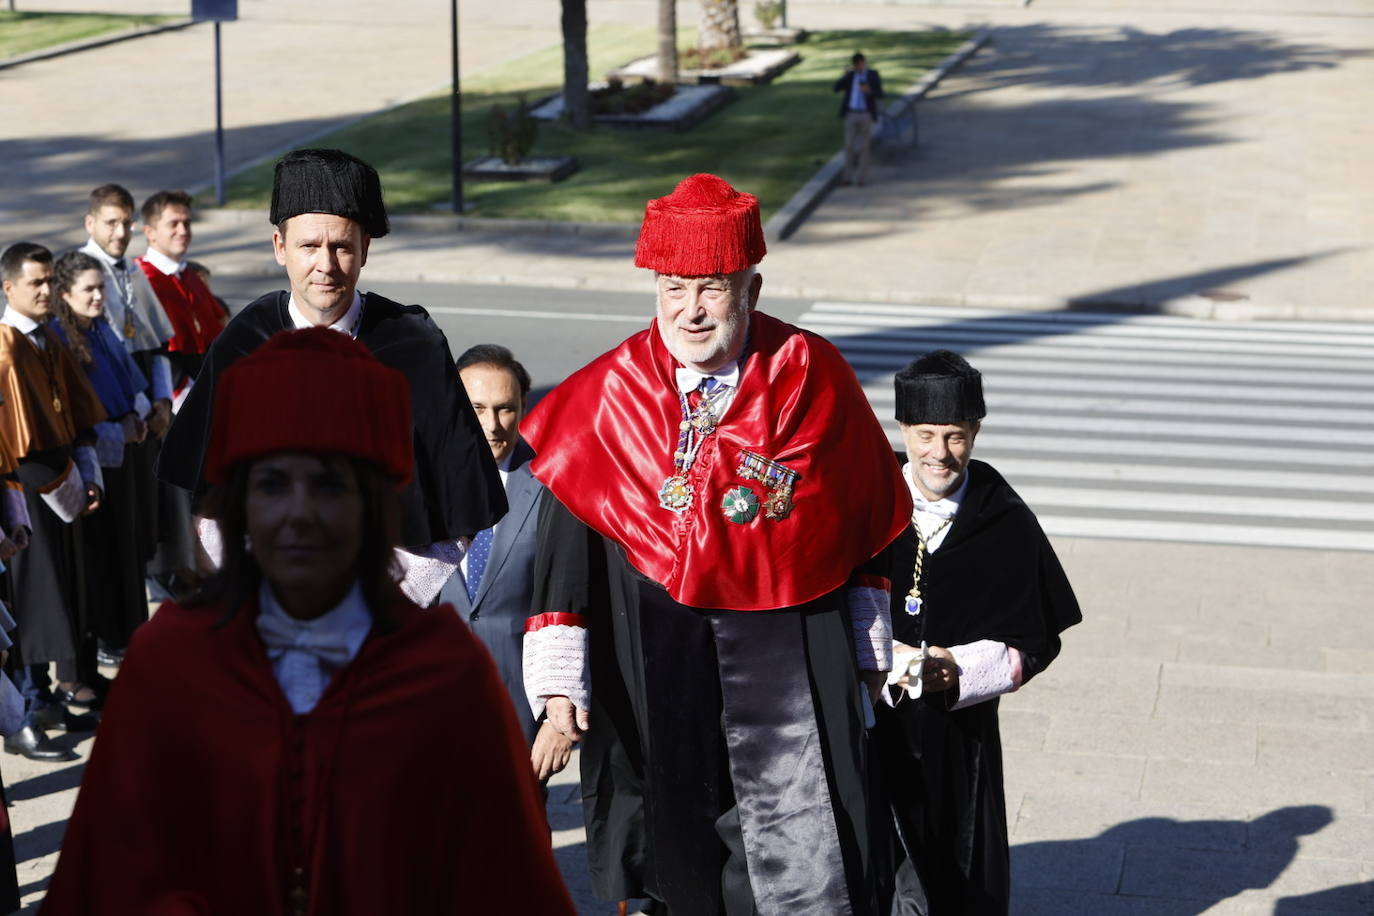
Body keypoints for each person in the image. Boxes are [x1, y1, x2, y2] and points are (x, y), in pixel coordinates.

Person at [42, 328, 577, 915]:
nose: (300, 514)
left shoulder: (443, 669)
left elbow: (501, 882)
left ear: (378, 503)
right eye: (271, 483)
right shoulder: (172, 660)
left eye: (329, 484)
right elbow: (109, 877)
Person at [520, 173, 912, 914]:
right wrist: (561, 693)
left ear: (751, 289)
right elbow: (565, 566)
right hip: (652, 667)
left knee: (801, 857)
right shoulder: (606, 396)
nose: (690, 311)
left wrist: (867, 659)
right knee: (675, 863)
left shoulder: (812, 377)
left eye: (711, 288)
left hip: (790, 654)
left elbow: (864, 525)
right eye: (673, 289)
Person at [157, 148, 505, 600]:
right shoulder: (245, 341)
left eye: (342, 246)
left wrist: (380, 602)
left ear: (365, 250)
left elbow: (461, 510)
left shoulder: (414, 345)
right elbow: (204, 503)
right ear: (280, 248)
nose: (326, 265)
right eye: (309, 246)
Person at [873, 350, 1082, 916]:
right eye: (925, 435)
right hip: (868, 724)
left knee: (951, 874)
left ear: (976, 432)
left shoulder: (1003, 518)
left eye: (957, 436)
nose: (940, 454)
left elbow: (1037, 641)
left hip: (955, 738)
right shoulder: (868, 498)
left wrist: (960, 668)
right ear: (903, 429)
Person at [445, 344, 574, 783]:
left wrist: (558, 720)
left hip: (518, 715)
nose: (492, 425)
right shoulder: (414, 484)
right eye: (477, 407)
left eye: (505, 409)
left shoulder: (552, 489)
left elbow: (572, 602)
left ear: (523, 408)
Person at [0, 243, 107, 762]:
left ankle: (45, 699)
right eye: (35, 283)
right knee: (26, 602)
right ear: (9, 287)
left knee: (57, 597)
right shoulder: (4, 346)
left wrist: (84, 473)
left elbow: (75, 411)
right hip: (20, 488)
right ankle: (23, 711)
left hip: (58, 482)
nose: (46, 291)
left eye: (48, 281)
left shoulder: (48, 339)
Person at [50, 251, 153, 685]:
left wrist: (142, 415)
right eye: (88, 289)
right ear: (66, 294)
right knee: (95, 564)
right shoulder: (59, 339)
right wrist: (120, 431)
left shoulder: (101, 328)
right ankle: (90, 664)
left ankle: (121, 645)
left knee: (122, 556)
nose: (98, 296)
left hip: (124, 461)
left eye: (101, 287)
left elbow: (132, 382)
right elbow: (77, 418)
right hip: (94, 465)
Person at [834, 52, 885, 187]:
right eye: (857, 65)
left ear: (864, 62)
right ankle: (847, 177)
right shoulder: (851, 76)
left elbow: (880, 94)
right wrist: (844, 76)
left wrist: (869, 91)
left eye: (861, 64)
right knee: (849, 145)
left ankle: (861, 177)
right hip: (851, 114)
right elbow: (836, 88)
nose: (859, 67)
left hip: (865, 114)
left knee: (864, 147)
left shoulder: (872, 75)